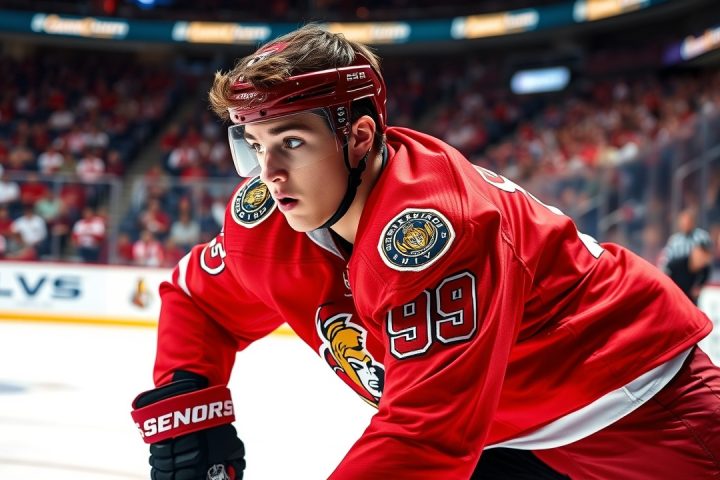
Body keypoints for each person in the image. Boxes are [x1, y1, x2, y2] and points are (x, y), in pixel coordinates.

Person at [131, 26, 720, 479]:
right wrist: (190, 415)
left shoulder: (436, 231)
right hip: (497, 434)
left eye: (291, 141)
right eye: (255, 144)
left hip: (639, 412)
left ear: (359, 137)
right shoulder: (267, 221)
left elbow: (423, 438)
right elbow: (198, 301)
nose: (270, 172)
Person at [659, 208, 713, 304]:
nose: (685, 224)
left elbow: (707, 260)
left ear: (693, 222)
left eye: (687, 221)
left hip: (694, 276)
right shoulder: (675, 240)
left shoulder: (702, 237)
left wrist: (700, 284)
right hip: (678, 275)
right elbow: (666, 259)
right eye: (683, 221)